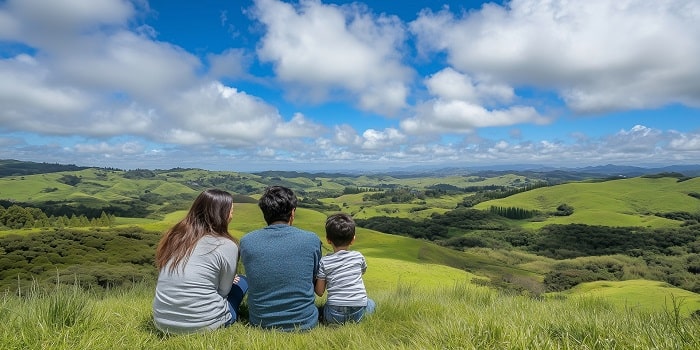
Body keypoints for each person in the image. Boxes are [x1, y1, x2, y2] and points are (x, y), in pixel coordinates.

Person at [152, 189, 247, 334]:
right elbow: (223, 291)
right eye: (231, 211)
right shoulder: (227, 245)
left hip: (161, 322)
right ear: (221, 214)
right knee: (242, 281)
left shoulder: (176, 236)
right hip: (206, 325)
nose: (232, 216)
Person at [240, 186, 322, 331]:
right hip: (305, 322)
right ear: (292, 213)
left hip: (260, 322)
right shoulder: (311, 240)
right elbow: (313, 277)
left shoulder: (247, 241)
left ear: (265, 213)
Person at [315, 213, 376, 324]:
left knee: (321, 309)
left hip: (334, 314)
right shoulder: (358, 257)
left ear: (328, 240)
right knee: (371, 303)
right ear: (353, 239)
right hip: (358, 312)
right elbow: (362, 271)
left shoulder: (324, 261)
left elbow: (319, 292)